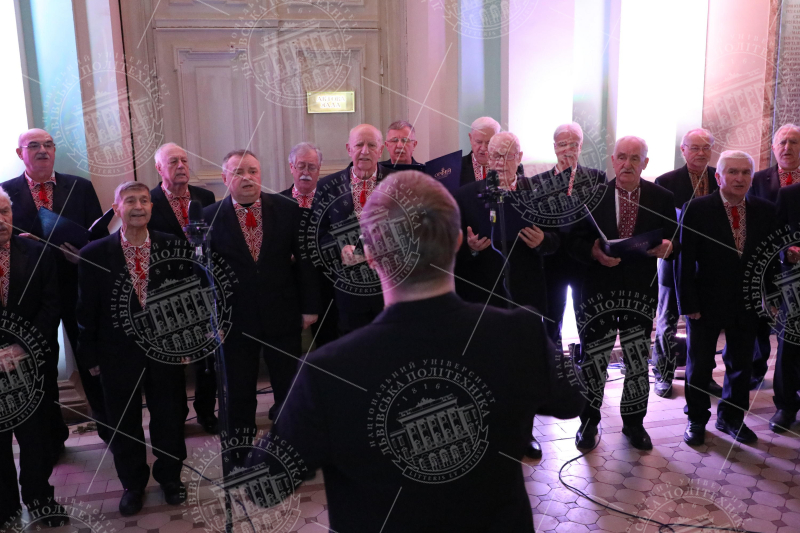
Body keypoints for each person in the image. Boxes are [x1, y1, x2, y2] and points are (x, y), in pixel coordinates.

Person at [274, 170, 585, 532]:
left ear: (370, 254)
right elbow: (572, 402)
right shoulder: (520, 333)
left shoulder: (327, 370)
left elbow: (267, 484)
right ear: (457, 241)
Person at [77, 182, 189, 516]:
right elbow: (86, 310)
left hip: (165, 350)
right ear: (117, 208)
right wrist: (89, 354)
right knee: (123, 422)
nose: (138, 206)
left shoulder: (173, 246)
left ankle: (171, 478)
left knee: (169, 416)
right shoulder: (94, 254)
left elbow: (186, 297)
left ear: (152, 207)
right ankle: (133, 485)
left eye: (144, 200)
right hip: (115, 352)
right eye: (130, 201)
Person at [454, 131, 558, 460]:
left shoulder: (539, 193)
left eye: (507, 155)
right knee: (483, 367)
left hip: (525, 293)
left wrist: (543, 241)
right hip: (482, 295)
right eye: (495, 155)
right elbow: (452, 247)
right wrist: (470, 249)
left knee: (522, 369)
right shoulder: (466, 195)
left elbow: (559, 240)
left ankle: (524, 434)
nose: (500, 162)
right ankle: (482, 434)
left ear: (520, 157)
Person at [569, 136, 677, 451]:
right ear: (613, 160)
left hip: (639, 291)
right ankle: (588, 423)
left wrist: (669, 247)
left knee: (636, 359)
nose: (627, 164)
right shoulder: (592, 195)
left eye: (635, 158)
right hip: (597, 290)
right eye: (622, 157)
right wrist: (593, 252)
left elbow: (674, 237)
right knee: (594, 360)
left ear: (645, 163)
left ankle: (634, 424)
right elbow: (573, 241)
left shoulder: (661, 197)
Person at [5, 128, 109, 454]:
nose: (42, 150)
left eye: (48, 144)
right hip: (33, 297)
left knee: (92, 363)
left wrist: (83, 255)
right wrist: (19, 245)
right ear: (20, 153)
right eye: (34, 145)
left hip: (77, 287)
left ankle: (110, 430)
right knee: (43, 367)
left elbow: (100, 239)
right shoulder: (5, 192)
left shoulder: (80, 187)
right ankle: (53, 440)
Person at [204, 150, 319, 434]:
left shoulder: (287, 209)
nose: (247, 178)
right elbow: (202, 275)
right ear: (224, 178)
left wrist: (310, 306)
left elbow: (305, 261)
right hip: (234, 319)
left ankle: (290, 439)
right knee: (239, 388)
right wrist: (210, 319)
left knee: (288, 385)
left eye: (253, 171)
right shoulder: (209, 217)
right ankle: (241, 446)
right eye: (238, 172)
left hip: (282, 313)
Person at [678, 150, 778, 446]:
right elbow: (684, 261)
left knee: (741, 364)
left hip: (747, 302)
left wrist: (771, 296)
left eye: (746, 172)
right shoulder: (697, 209)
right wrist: (688, 303)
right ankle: (697, 418)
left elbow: (769, 258)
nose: (739, 178)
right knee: (699, 365)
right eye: (732, 172)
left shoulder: (765, 210)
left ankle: (731, 418)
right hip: (705, 301)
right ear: (719, 177)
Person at [0, 187, 67, 527]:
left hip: (30, 362)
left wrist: (21, 347)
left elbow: (51, 305)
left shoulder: (37, 252)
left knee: (36, 439)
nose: (1, 220)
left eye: (4, 212)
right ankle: (5, 507)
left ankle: (41, 501)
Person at [147, 143, 219, 435]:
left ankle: (206, 411)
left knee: (207, 359)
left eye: (185, 161)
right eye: (173, 161)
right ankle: (176, 415)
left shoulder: (205, 197)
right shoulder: (149, 201)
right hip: (168, 291)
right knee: (173, 361)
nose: (181, 166)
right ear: (159, 168)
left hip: (202, 287)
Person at [651, 128, 722, 398]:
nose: (701, 153)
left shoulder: (719, 177)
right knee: (667, 321)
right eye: (694, 147)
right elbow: (659, 224)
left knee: (706, 325)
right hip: (674, 260)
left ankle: (702, 376)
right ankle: (663, 375)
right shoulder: (666, 181)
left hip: (708, 265)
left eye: (706, 147)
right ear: (683, 150)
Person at [529, 122, 607, 350]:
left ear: (581, 147)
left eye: (574, 144)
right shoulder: (538, 182)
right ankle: (553, 363)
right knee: (551, 320)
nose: (568, 149)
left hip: (584, 260)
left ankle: (584, 364)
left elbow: (600, 221)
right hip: (551, 262)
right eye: (563, 144)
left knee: (587, 320)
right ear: (555, 147)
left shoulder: (597, 178)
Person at [312, 124, 388, 334]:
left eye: (371, 145)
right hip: (348, 293)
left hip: (389, 292)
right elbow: (317, 235)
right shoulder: (328, 186)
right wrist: (340, 249)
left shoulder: (397, 182)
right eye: (359, 144)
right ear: (348, 149)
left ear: (380, 150)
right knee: (353, 349)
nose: (365, 151)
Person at [747, 124, 800, 390]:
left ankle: (790, 380)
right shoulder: (757, 179)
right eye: (782, 142)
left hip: (795, 266)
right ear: (773, 148)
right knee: (760, 320)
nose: (787, 147)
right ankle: (755, 371)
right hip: (765, 260)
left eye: (793, 142)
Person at [280, 142, 339, 347]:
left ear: (319, 169)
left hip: (326, 287)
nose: (306, 172)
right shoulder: (276, 203)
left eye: (311, 167)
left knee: (329, 348)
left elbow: (337, 239)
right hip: (290, 290)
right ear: (291, 167)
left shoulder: (333, 203)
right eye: (301, 166)